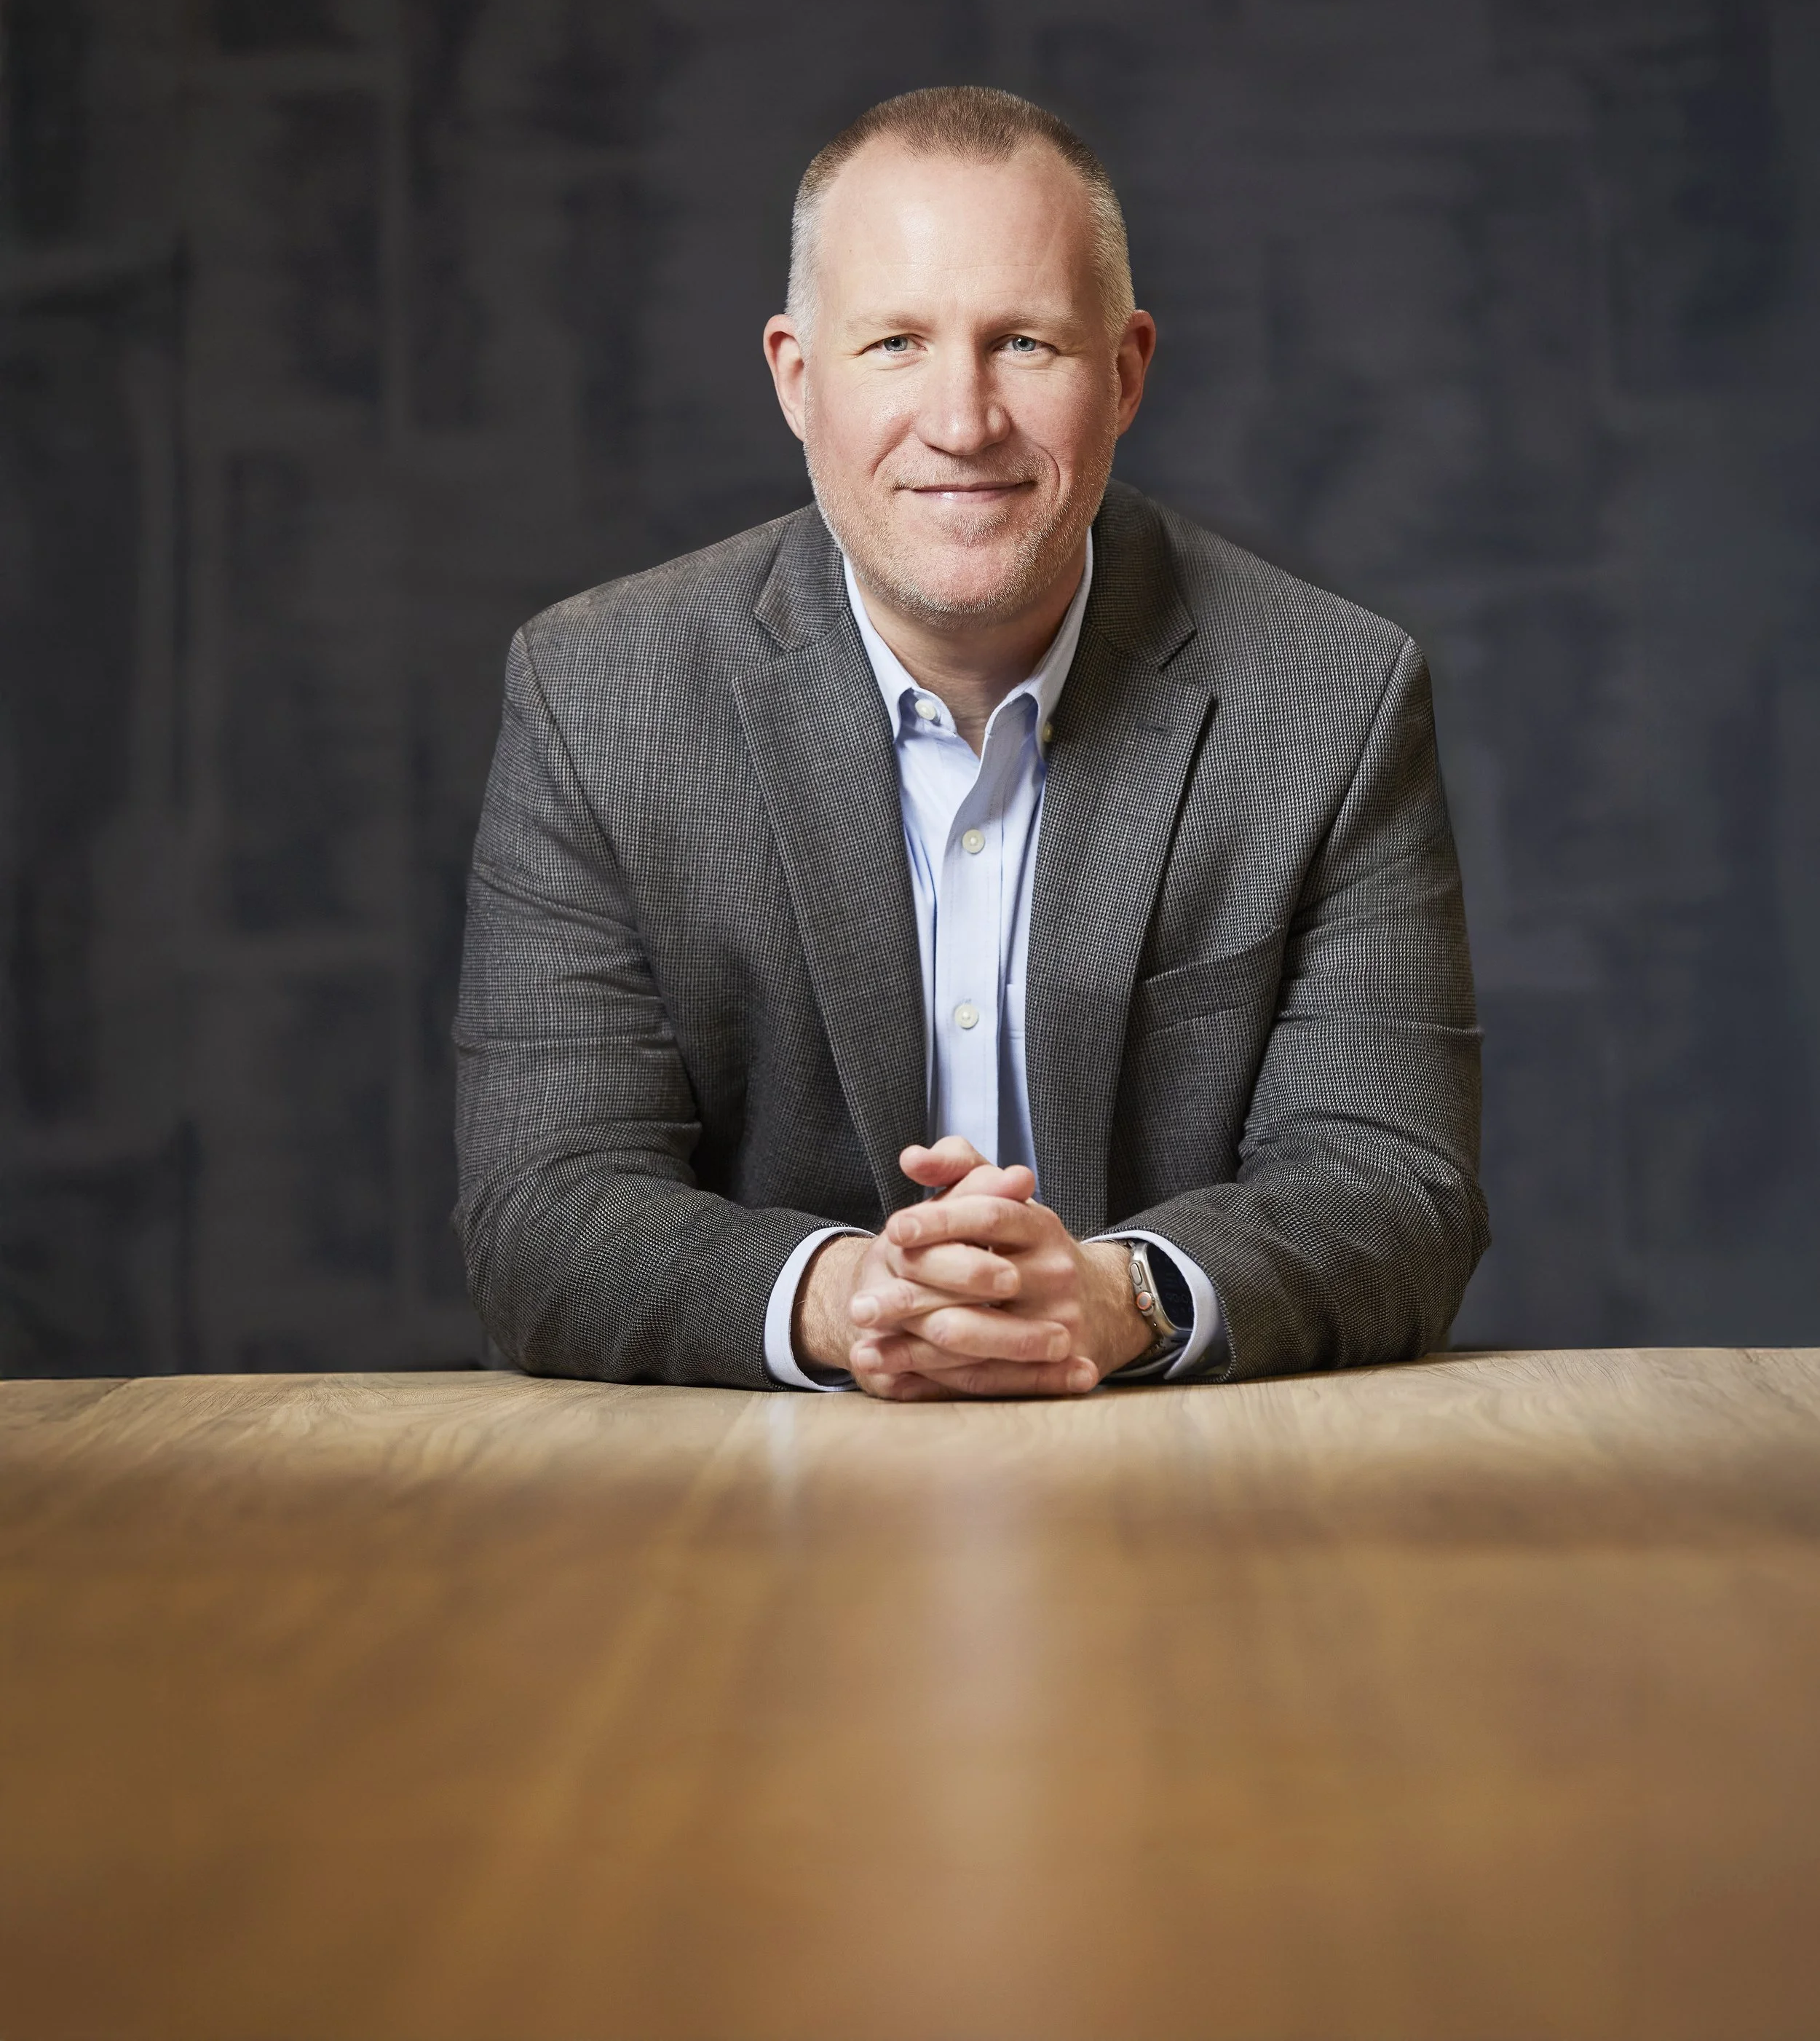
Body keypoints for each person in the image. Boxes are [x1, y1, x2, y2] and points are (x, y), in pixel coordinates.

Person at [454, 86, 1485, 1399]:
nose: (962, 420)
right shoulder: (598, 697)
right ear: (795, 376)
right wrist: (844, 1298)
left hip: (1199, 1508)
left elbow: (1396, 1186)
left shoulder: (1332, 700)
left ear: (1123, 373)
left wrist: (1121, 1298)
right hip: (735, 1522)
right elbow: (543, 1211)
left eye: (1025, 344)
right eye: (894, 342)